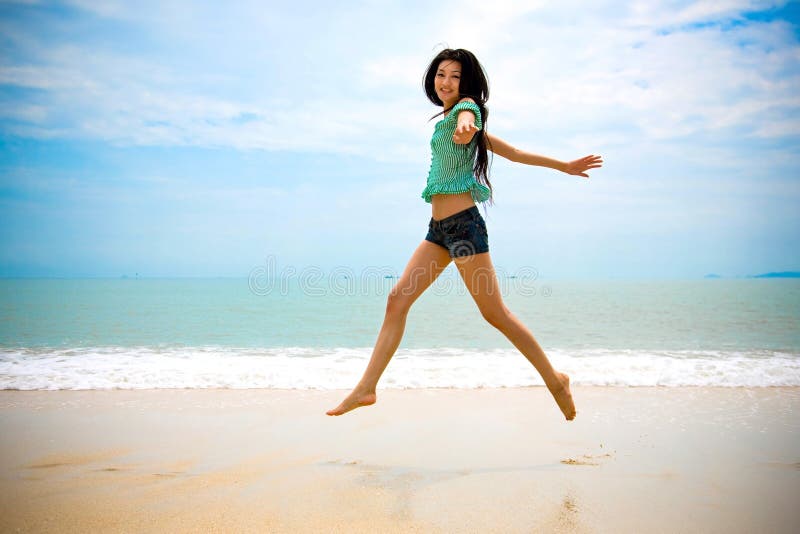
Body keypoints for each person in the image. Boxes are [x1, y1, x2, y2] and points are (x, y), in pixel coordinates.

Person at [326, 48, 602, 421]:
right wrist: (561, 164)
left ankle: (555, 380)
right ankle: (366, 388)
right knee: (397, 301)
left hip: (463, 228)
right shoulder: (444, 120)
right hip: (438, 231)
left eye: (455, 76)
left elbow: (469, 119)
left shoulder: (463, 111)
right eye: (441, 74)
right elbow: (514, 152)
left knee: (495, 314)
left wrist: (466, 125)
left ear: (466, 84)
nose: (446, 82)